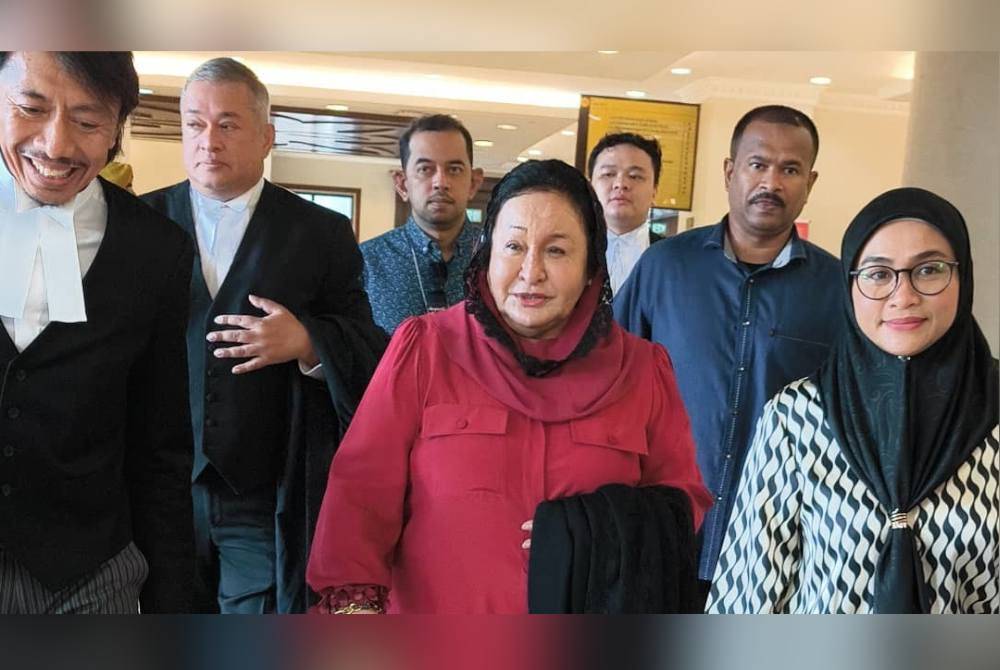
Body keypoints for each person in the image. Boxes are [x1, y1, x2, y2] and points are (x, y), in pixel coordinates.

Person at [306, 159, 712, 614]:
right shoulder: (426, 349)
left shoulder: (641, 370)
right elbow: (360, 491)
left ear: (589, 266)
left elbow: (682, 501)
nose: (531, 271)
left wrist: (596, 531)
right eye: (514, 246)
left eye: (557, 251)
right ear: (487, 253)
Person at [142, 57, 386, 614]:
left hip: (259, 488)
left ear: (266, 136)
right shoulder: (142, 222)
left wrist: (306, 343)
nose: (209, 140)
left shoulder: (320, 233)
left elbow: (365, 341)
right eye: (194, 124)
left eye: (228, 124)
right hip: (159, 490)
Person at [708, 187, 999, 613]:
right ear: (849, 288)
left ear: (964, 277)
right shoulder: (797, 417)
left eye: (930, 269)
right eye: (878, 274)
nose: (903, 296)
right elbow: (748, 598)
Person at [613, 105, 843, 595]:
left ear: (811, 181)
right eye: (758, 164)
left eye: (790, 169)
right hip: (664, 527)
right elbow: (610, 379)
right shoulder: (665, 267)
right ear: (729, 171)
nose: (772, 183)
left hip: (779, 542)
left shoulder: (839, 289)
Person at [0, 51, 194, 613]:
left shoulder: (155, 250)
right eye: (31, 108)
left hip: (87, 575)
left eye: (87, 122)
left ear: (117, 130)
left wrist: (172, 605)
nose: (57, 146)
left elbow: (160, 445)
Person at [360, 114, 485, 334]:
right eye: (425, 169)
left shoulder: (499, 256)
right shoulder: (366, 262)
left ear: (473, 183)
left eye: (454, 169)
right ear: (402, 184)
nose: (441, 182)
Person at [587, 132, 664, 295]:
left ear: (654, 191)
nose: (620, 184)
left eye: (635, 176)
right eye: (608, 174)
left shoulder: (674, 259)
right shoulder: (567, 251)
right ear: (590, 186)